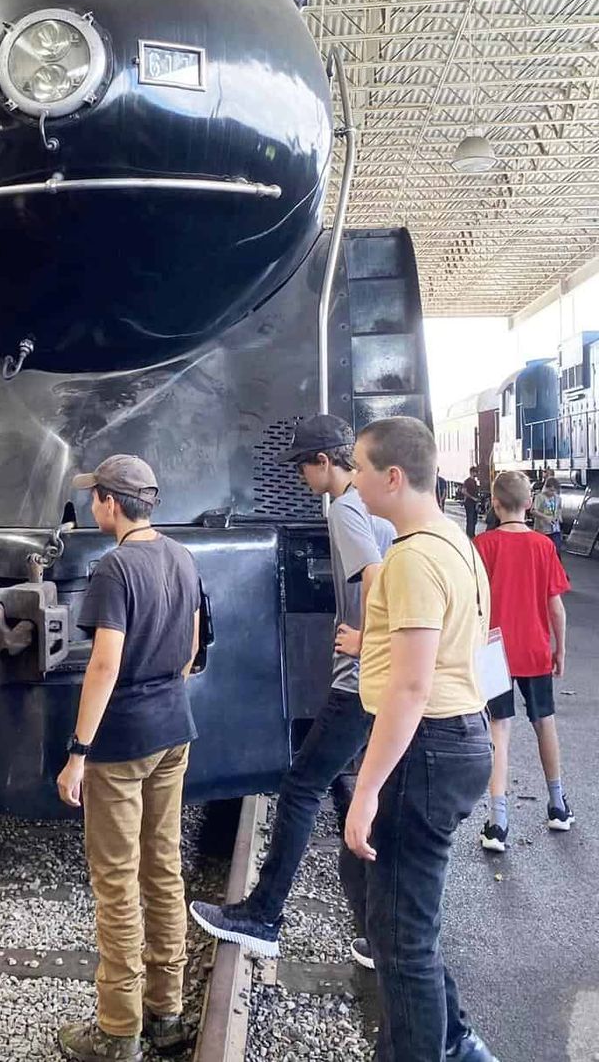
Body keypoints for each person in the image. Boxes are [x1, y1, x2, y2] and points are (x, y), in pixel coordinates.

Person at [188, 414, 393, 970]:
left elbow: (376, 579)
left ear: (326, 461)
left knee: (303, 785)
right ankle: (381, 934)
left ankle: (264, 915)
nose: (301, 476)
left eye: (304, 465)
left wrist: (365, 638)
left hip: (358, 684)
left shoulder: (348, 509)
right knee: (352, 793)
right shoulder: (374, 504)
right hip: (382, 681)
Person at [346, 416, 498, 1062]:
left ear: (393, 476)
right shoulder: (455, 541)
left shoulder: (410, 558)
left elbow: (410, 686)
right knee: (373, 890)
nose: (351, 481)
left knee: (404, 939)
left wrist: (366, 790)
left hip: (428, 746)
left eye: (357, 469)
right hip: (457, 736)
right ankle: (454, 1038)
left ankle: (430, 1049)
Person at [56, 455, 201, 1062]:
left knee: (116, 880)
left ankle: (118, 1030)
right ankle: (165, 1012)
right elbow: (193, 648)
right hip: (175, 729)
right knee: (162, 867)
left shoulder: (114, 568)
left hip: (122, 742)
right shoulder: (181, 556)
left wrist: (78, 751)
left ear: (112, 503)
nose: (93, 506)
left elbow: (105, 662)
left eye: (96, 498)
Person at [474, 471, 573, 852]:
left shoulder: (482, 545)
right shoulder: (543, 547)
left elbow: (474, 605)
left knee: (499, 729)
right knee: (544, 723)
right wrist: (559, 650)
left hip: (492, 651)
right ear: (529, 504)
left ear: (495, 504)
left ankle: (498, 822)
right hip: (534, 648)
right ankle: (558, 805)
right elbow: (556, 608)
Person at [531, 476, 563, 559]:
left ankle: (557, 569)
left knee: (556, 550)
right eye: (551, 490)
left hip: (555, 529)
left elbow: (559, 508)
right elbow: (533, 510)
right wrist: (545, 518)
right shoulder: (540, 497)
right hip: (542, 530)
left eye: (555, 491)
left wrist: (559, 517)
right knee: (543, 552)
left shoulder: (558, 498)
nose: (553, 493)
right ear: (546, 487)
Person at [462, 465, 480, 538]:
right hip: (469, 503)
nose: (476, 474)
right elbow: (463, 491)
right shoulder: (467, 481)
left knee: (474, 519)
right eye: (475, 472)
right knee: (470, 519)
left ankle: (472, 533)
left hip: (474, 503)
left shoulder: (475, 482)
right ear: (472, 472)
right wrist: (472, 498)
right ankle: (469, 535)